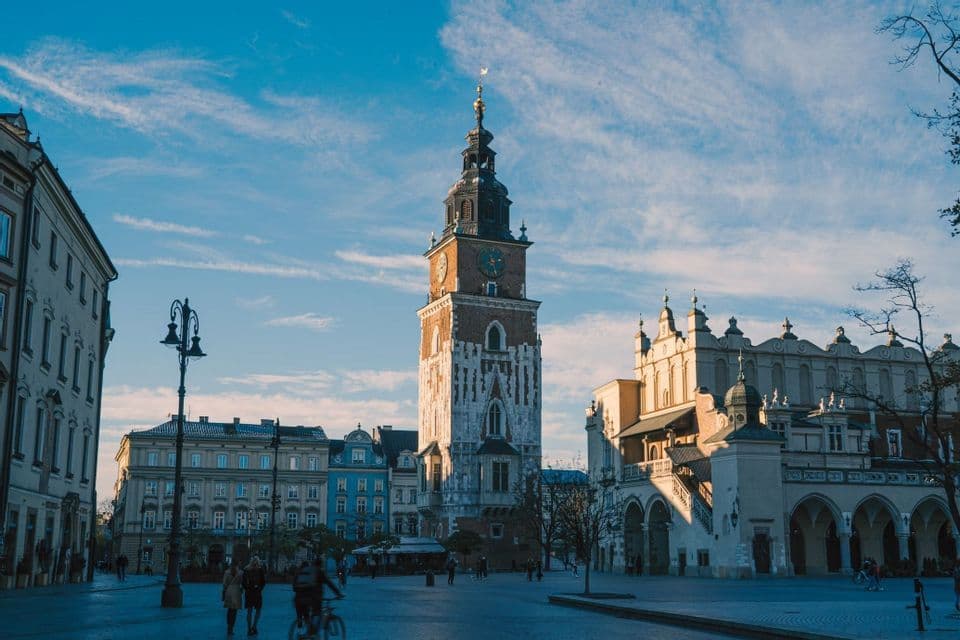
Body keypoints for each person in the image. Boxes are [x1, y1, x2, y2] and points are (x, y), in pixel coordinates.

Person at [293, 558, 343, 635]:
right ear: (320, 565)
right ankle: (312, 632)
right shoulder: (318, 571)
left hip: (298, 598)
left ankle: (306, 630)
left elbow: (294, 587)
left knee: (306, 614)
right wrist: (338, 594)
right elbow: (330, 583)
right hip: (312, 598)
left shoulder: (303, 571)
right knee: (316, 612)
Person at [242, 556, 266, 636]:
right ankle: (254, 626)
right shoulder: (260, 570)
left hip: (249, 593)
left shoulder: (246, 570)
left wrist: (248, 589)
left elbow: (243, 583)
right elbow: (263, 582)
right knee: (258, 610)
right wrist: (259, 588)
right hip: (257, 593)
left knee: (249, 611)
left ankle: (249, 628)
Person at [222, 563, 245, 636]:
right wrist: (241, 590)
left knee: (229, 610)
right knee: (234, 611)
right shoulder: (241, 573)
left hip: (229, 590)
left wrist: (225, 590)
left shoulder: (227, 572)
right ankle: (231, 628)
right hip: (236, 591)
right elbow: (243, 583)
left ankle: (229, 627)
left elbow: (224, 583)